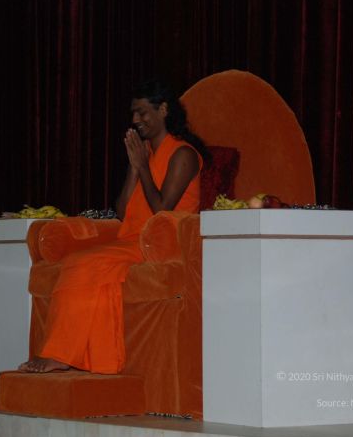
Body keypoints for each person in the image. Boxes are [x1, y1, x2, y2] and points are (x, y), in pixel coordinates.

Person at [18, 80, 210, 374]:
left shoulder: (183, 155)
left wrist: (143, 167)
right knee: (83, 265)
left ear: (163, 110)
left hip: (162, 245)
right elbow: (122, 211)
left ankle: (60, 354)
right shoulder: (144, 153)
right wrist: (134, 168)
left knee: (84, 263)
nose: (135, 119)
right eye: (133, 113)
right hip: (131, 240)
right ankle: (95, 358)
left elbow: (162, 209)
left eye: (142, 112)